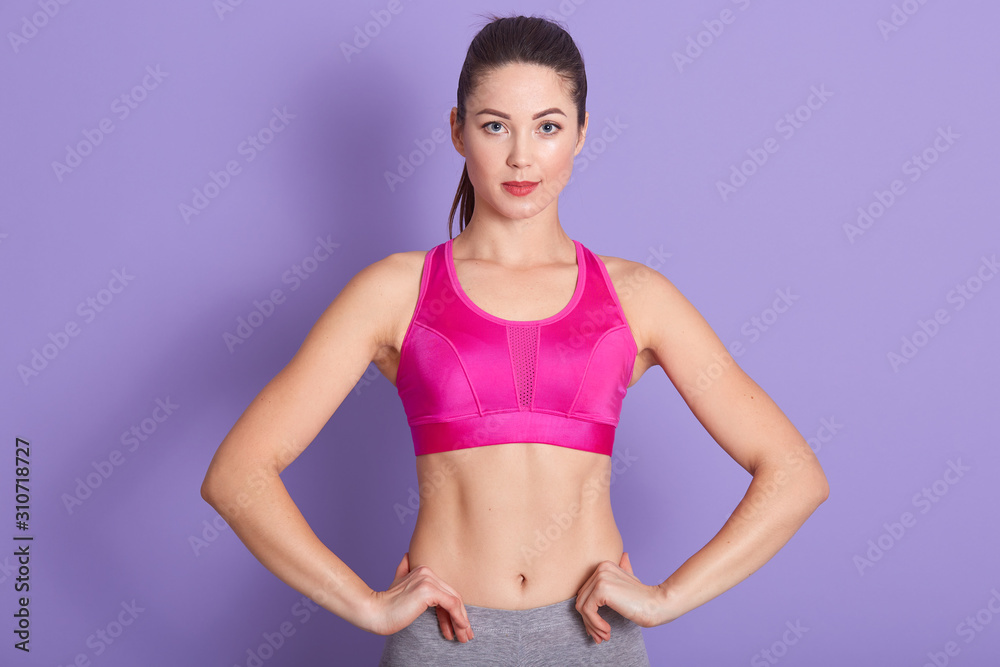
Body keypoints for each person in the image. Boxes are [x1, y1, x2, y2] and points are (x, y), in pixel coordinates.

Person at [200, 13, 830, 666]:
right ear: (457, 131)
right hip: (444, 644)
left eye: (548, 126)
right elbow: (237, 474)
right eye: (495, 125)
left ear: (582, 133)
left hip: (595, 645)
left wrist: (668, 595)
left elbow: (793, 474)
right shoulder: (395, 292)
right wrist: (365, 603)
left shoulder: (635, 297)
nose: (522, 156)